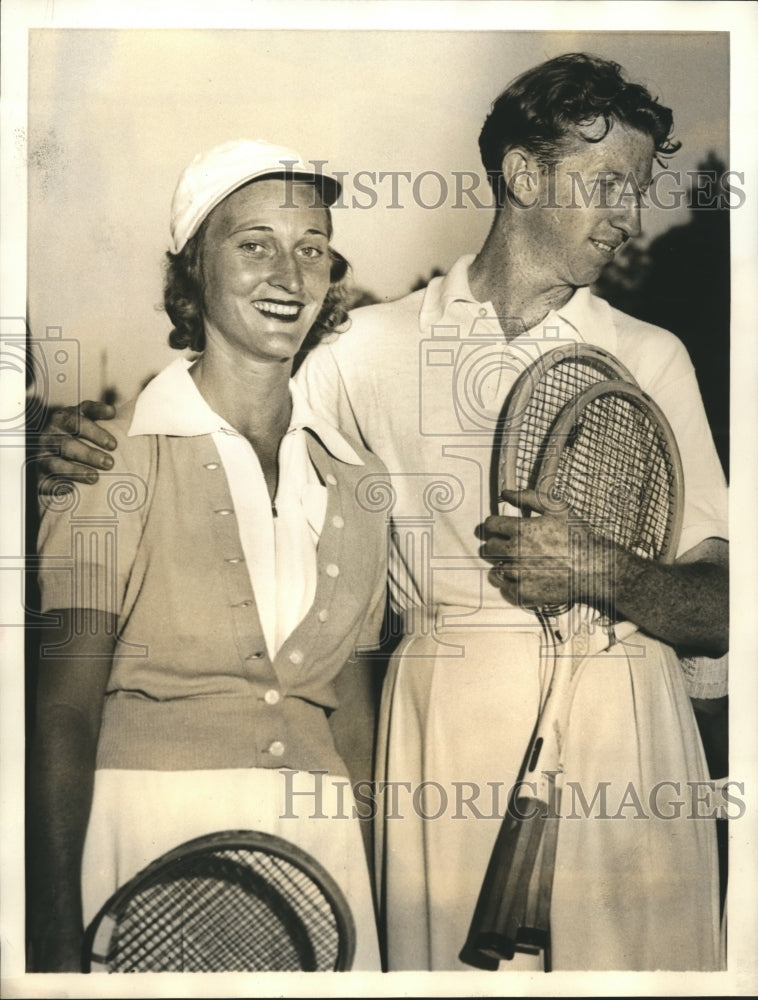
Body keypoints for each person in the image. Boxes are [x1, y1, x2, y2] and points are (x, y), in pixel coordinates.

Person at [36, 54, 729, 973]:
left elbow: (722, 607)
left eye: (638, 191)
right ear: (525, 176)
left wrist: (602, 570)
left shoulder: (655, 355)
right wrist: (66, 448)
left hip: (627, 750)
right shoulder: (362, 348)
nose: (628, 216)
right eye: (608, 185)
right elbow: (231, 412)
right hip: (440, 749)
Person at [27, 139, 390, 973]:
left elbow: (356, 725)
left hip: (321, 854)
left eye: (313, 250)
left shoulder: (362, 485)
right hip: (146, 846)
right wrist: (51, 930)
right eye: (254, 244)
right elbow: (64, 713)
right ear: (193, 271)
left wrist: (373, 908)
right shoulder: (108, 460)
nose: (289, 276)